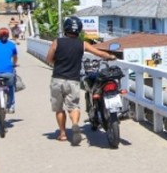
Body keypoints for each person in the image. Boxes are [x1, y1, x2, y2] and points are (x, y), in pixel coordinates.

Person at [46, 16, 116, 145]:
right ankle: (75, 124)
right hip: (73, 80)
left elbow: (49, 59)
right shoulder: (82, 44)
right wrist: (111, 56)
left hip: (57, 79)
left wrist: (58, 62)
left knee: (59, 109)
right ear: (78, 30)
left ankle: (62, 134)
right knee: (74, 107)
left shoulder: (57, 42)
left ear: (65, 29)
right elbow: (99, 53)